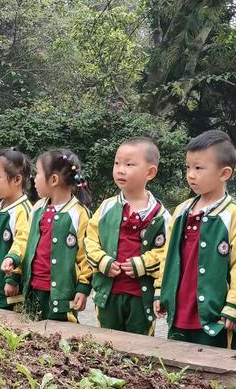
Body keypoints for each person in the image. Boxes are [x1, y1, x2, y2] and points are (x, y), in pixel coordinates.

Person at [154, 130, 236, 349]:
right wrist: (160, 290)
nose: (190, 175)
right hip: (179, 311)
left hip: (215, 317)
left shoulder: (232, 215)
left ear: (224, 173)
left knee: (215, 374)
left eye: (199, 168)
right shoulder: (181, 211)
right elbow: (167, 255)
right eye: (188, 167)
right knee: (176, 371)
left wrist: (232, 305)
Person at [85, 137, 171, 335]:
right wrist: (102, 261)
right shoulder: (107, 207)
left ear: (150, 172)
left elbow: (167, 252)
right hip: (108, 293)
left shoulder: (161, 215)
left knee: (140, 346)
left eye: (129, 164)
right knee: (107, 342)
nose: (120, 169)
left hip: (141, 298)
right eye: (117, 163)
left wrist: (142, 264)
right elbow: (89, 240)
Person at [21, 149, 92, 322]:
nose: (34, 179)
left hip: (62, 297)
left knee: (58, 339)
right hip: (32, 289)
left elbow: (86, 256)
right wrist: (14, 269)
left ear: (53, 179)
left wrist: (83, 288)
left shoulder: (79, 214)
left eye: (37, 173)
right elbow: (23, 240)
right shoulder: (37, 208)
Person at [0, 148, 33, 310]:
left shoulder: (22, 210)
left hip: (9, 284)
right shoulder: (0, 206)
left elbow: (23, 245)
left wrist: (13, 279)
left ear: (17, 179)